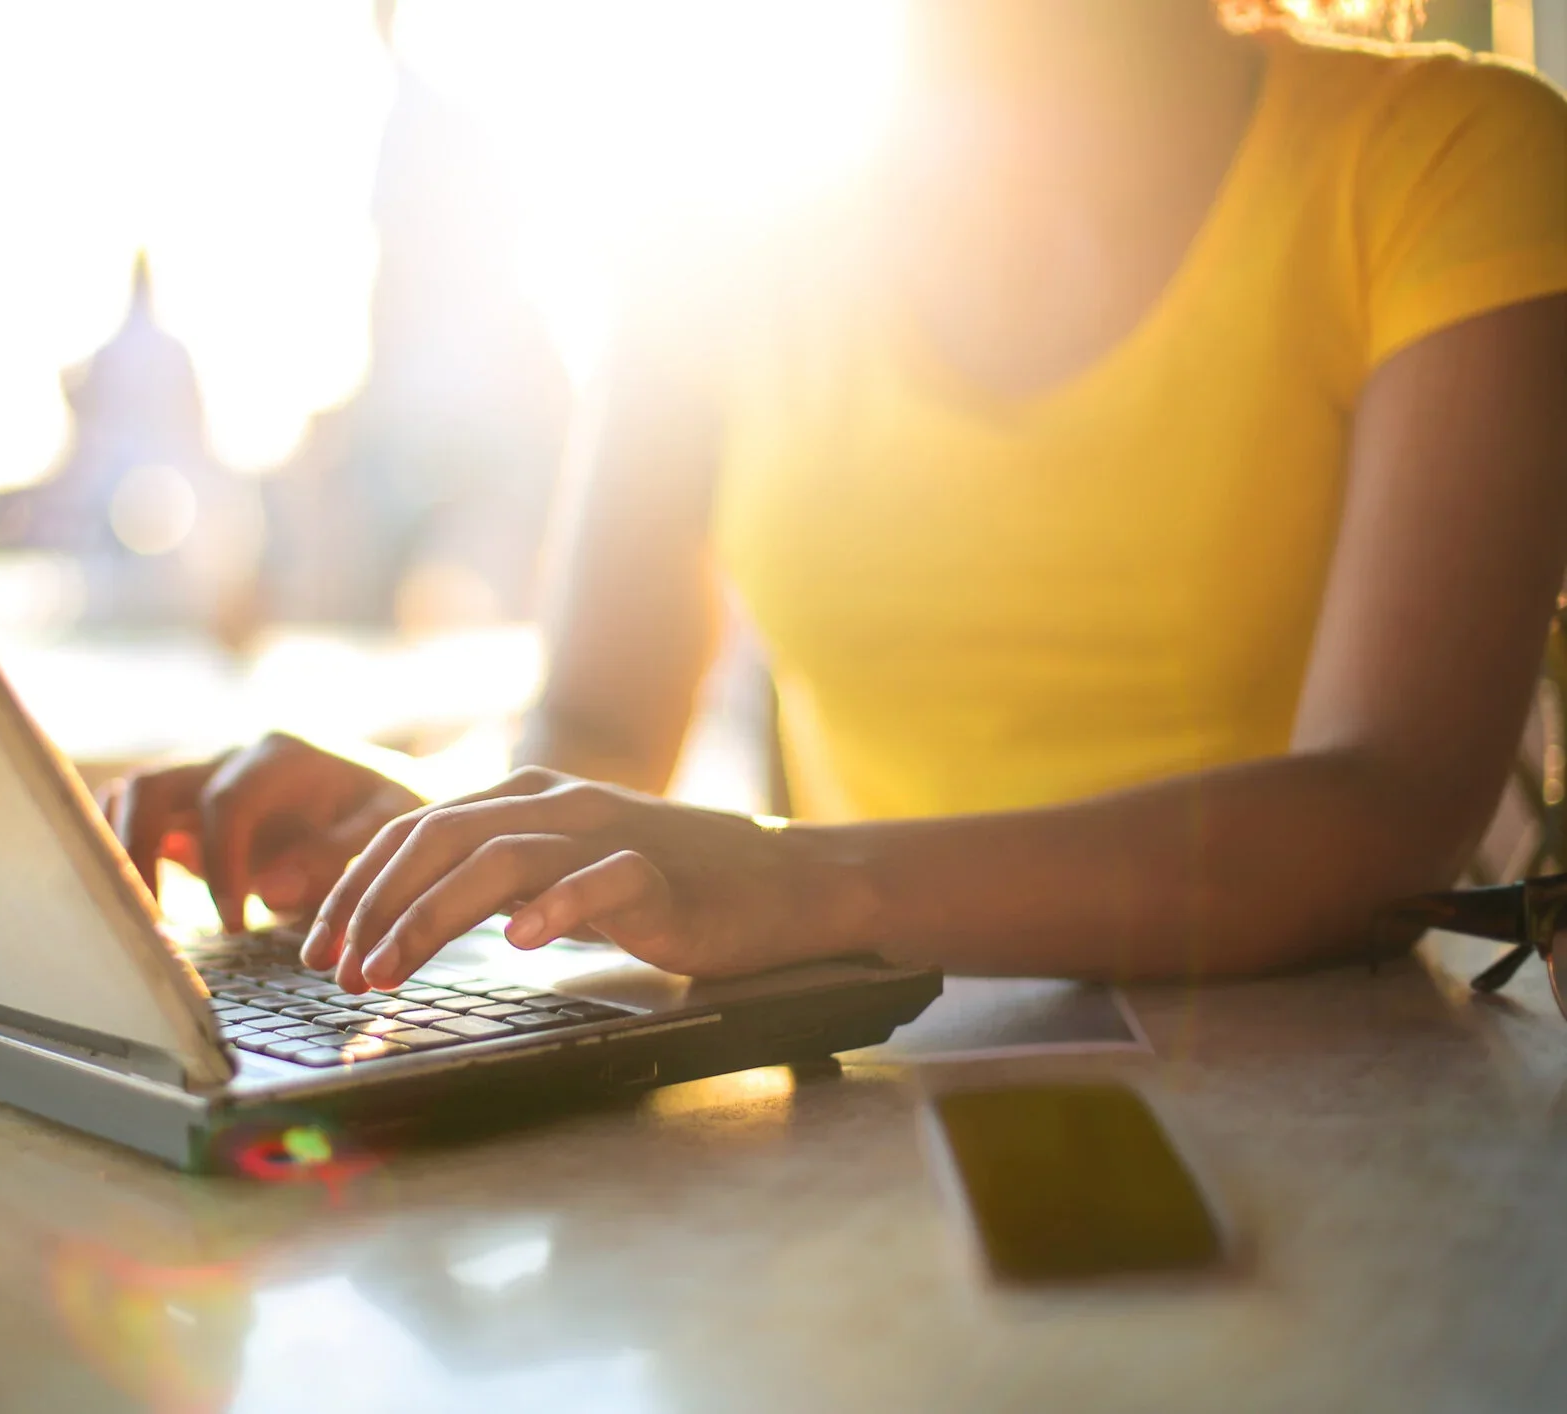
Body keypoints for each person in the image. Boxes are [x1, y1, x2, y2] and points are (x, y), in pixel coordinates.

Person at [102, 0, 1567, 997]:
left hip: (1356, 1102)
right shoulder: (716, 228)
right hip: (882, 1094)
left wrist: (815, 887)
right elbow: (602, 729)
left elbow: (1386, 808)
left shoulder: (1446, 163)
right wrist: (435, 837)